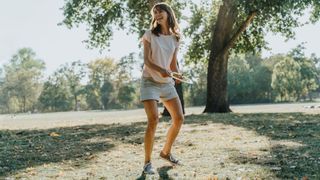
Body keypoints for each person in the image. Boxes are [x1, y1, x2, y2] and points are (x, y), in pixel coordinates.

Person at [140, 2, 184, 175]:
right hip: (150, 81)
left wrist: (177, 74)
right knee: (153, 120)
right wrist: (162, 71)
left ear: (168, 13)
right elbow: (147, 61)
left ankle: (165, 152)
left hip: (166, 83)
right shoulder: (149, 34)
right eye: (155, 13)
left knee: (179, 119)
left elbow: (173, 63)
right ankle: (147, 163)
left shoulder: (175, 38)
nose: (157, 15)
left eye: (160, 12)